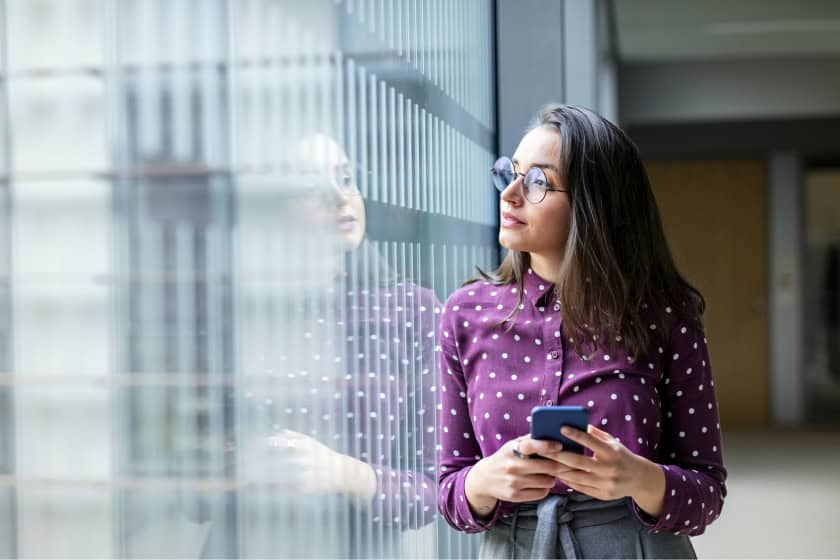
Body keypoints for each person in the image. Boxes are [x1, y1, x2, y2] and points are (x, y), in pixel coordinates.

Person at [436, 104, 727, 559]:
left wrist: (639, 479)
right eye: (511, 173)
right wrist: (483, 482)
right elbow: (450, 494)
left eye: (538, 182)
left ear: (596, 204)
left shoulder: (666, 316)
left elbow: (706, 495)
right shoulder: (465, 314)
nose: (509, 194)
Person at [192, 134, 440, 558]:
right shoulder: (235, 311)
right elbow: (183, 488)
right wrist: (242, 469)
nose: (340, 198)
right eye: (311, 186)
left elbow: (437, 490)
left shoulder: (413, 312)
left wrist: (342, 474)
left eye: (345, 178)